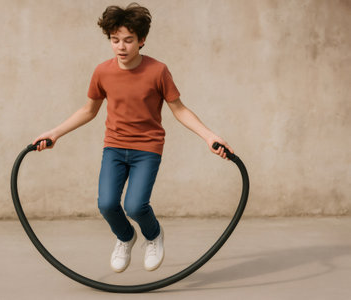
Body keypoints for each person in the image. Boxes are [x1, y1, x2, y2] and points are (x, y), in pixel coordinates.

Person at [33, 3, 233, 273]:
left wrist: (209, 136)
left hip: (147, 149)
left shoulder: (158, 71)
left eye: (128, 40)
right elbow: (89, 110)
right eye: (115, 40)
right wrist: (55, 132)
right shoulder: (102, 72)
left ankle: (153, 236)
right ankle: (126, 237)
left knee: (136, 205)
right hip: (114, 148)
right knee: (106, 204)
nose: (121, 47)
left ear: (142, 40)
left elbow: (179, 109)